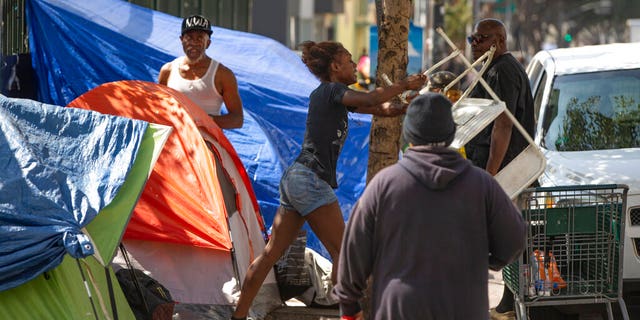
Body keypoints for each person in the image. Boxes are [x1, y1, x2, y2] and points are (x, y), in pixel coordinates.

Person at [230, 41, 426, 320]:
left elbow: (381, 109)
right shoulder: (332, 91)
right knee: (344, 255)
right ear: (335, 67)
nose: (354, 64)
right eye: (349, 60)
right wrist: (405, 83)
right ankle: (351, 315)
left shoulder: (331, 96)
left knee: (271, 253)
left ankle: (238, 316)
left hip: (296, 178)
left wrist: (405, 106)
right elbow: (371, 99)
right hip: (310, 180)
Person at [333, 93, 526, 320]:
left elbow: (353, 251)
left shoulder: (384, 186)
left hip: (400, 309)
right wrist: (489, 259)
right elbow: (514, 239)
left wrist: (349, 307)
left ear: (409, 135)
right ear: (451, 133)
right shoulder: (482, 185)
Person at [465, 18, 536, 319]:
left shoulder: (504, 70)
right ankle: (508, 302)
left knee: (502, 236)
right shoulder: (493, 68)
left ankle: (509, 302)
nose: (474, 45)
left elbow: (503, 124)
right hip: (498, 168)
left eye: (479, 39)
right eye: (472, 39)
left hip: (507, 170)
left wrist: (491, 174)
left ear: (498, 41)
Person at [158, 15, 243, 129]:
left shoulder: (222, 74)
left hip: (207, 144)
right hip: (176, 143)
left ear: (208, 43)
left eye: (200, 38)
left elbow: (237, 120)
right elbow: (159, 111)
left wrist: (204, 120)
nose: (194, 42)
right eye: (189, 37)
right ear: (181, 40)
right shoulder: (168, 71)